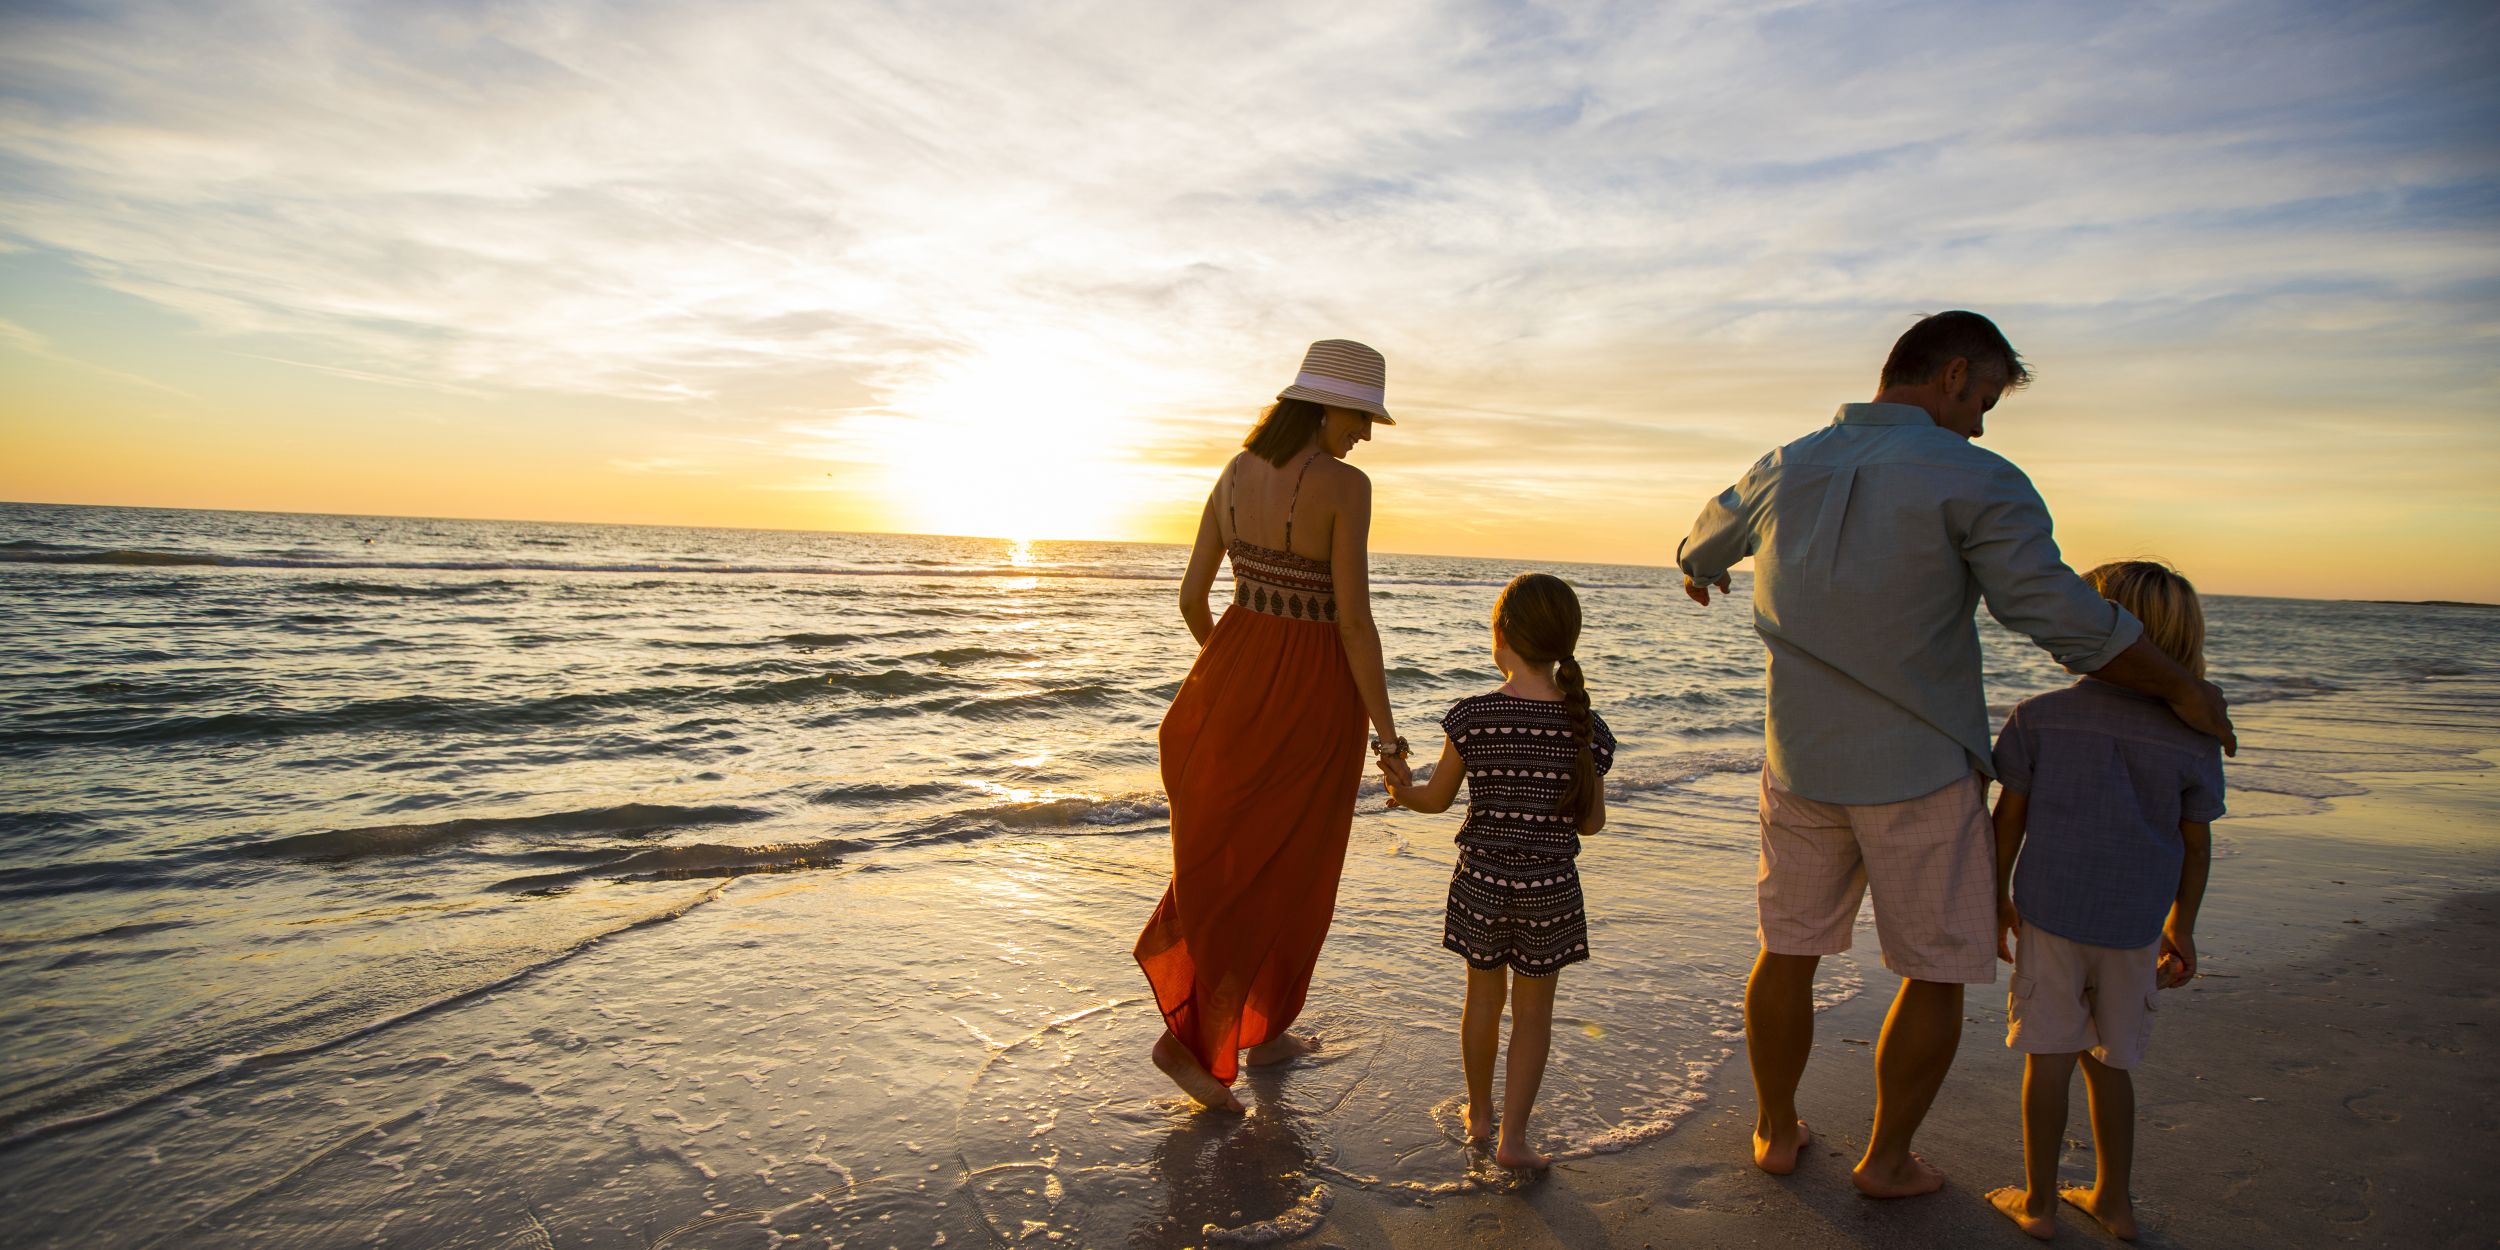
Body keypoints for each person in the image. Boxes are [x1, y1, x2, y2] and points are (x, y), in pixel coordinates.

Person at [1674, 311, 2236, 1197]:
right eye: (1981, 401)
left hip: (1801, 764)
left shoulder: (1785, 462)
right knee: (1934, 970)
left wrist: (1698, 569)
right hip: (1919, 770)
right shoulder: (1977, 476)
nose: (1978, 423)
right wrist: (2178, 686)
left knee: (1787, 951)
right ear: (1954, 374)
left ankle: (1776, 1132)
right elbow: (2056, 614)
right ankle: (1886, 1160)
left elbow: (1701, 544)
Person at [1135, 339, 1412, 1113]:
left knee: (1235, 859)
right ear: (1325, 406)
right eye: (1360, 416)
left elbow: (1194, 599)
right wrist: (1388, 742)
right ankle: (1189, 1042)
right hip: (1313, 699)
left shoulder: (1230, 474)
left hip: (1227, 687)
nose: (1363, 434)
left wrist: (1236, 675)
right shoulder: (1347, 489)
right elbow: (1354, 623)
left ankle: (1265, 1028)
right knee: (1292, 866)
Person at [1984, 560, 2222, 1241]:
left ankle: (2038, 1204)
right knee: (2111, 1063)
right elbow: (2196, 846)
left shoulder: (2039, 718)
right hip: (2136, 925)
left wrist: (1998, 897)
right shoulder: (2193, 733)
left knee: (2049, 1060)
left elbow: (2009, 822)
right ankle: (2114, 1201)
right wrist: (2185, 925)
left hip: (2050, 918)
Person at [1385, 573, 1616, 1171]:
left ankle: (1479, 1115)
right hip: (1552, 892)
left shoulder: (1474, 718)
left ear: (1502, 636)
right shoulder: (1584, 727)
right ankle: (1514, 1140)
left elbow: (1434, 801)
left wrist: (1396, 787)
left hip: (1481, 884)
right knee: (1534, 1015)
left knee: (1481, 1000)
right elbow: (1590, 826)